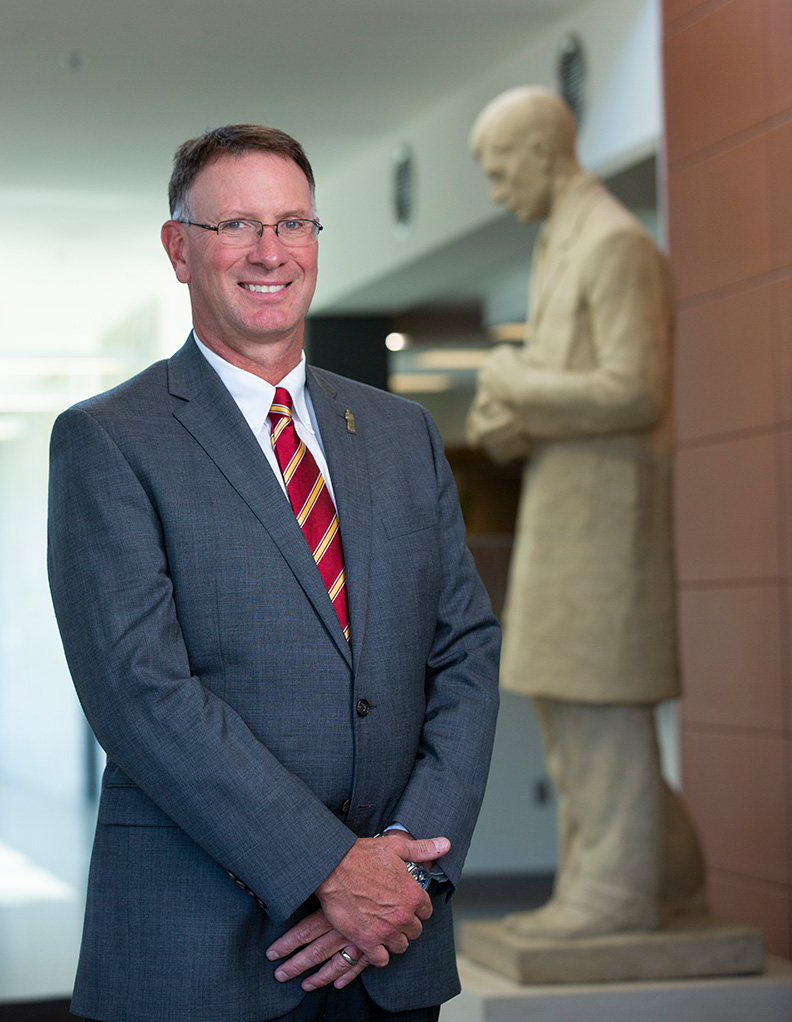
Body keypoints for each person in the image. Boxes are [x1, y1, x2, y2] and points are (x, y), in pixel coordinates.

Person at [48, 123, 500, 1021]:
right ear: (180, 249)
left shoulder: (403, 436)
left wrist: (403, 863)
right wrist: (331, 871)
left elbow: (466, 656)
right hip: (200, 954)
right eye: (237, 227)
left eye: (294, 224)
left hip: (390, 946)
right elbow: (141, 695)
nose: (270, 252)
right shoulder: (109, 439)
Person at [466, 87, 705, 939]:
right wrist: (512, 415)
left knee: (599, 702)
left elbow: (634, 389)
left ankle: (616, 893)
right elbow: (572, 387)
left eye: (500, 170)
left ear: (541, 153)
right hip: (566, 508)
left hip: (607, 520)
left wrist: (522, 387)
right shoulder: (560, 244)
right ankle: (666, 875)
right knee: (567, 702)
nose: (497, 190)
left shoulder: (614, 243)